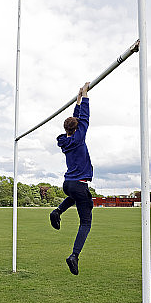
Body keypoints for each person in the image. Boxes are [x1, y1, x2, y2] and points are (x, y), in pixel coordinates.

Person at [49, 82, 93, 275]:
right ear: (76, 129)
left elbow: (77, 120)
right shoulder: (79, 137)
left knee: (74, 197)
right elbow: (85, 117)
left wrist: (78, 99)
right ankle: (74, 255)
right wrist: (86, 96)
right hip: (79, 184)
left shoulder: (65, 140)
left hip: (68, 184)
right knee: (86, 223)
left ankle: (57, 211)